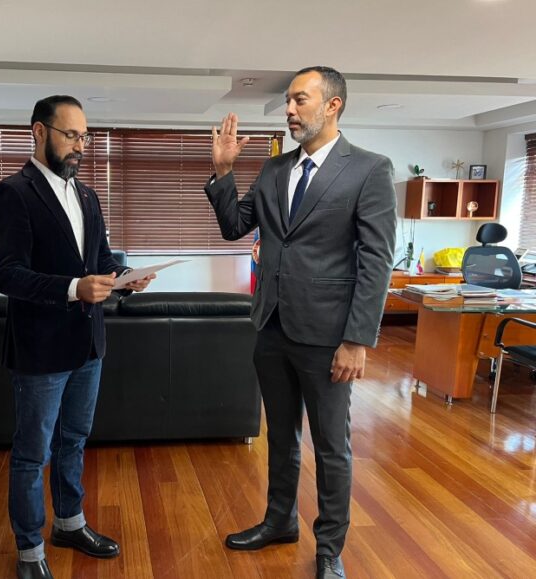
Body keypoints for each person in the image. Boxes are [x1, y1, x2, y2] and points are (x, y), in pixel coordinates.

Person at [205, 66, 396, 579]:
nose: (289, 110)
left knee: (332, 448)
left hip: (330, 337)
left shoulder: (369, 170)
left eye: (299, 100)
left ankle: (329, 548)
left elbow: (376, 261)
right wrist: (223, 172)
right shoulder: (274, 170)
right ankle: (279, 521)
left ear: (333, 105)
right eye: (288, 101)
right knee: (282, 438)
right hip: (271, 327)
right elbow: (234, 227)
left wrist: (357, 340)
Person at [0, 95, 154, 579]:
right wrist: (72, 288)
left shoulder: (87, 195)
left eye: (85, 136)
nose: (81, 145)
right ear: (39, 132)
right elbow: (8, 274)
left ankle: (69, 524)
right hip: (40, 349)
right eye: (71, 135)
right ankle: (29, 550)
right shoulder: (12, 193)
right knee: (31, 453)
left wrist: (124, 277)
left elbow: (100, 258)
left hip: (88, 344)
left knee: (74, 441)